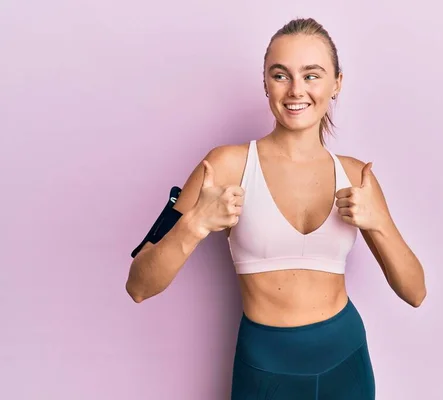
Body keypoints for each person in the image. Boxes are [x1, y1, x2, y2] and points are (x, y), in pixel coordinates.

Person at [125, 17, 426, 400]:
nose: (296, 90)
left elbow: (415, 292)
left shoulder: (355, 175)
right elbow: (139, 284)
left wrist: (379, 223)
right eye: (280, 75)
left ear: (337, 83)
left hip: (347, 361)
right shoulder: (225, 166)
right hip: (265, 367)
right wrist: (195, 223)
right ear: (264, 82)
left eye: (312, 75)